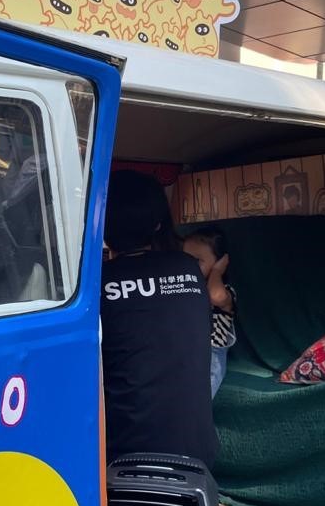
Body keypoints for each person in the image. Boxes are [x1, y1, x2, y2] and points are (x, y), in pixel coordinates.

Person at [100, 169, 218, 469]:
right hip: (199, 453)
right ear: (157, 223)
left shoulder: (97, 286)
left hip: (126, 458)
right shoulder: (189, 269)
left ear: (100, 225)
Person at [184, 227, 236, 398]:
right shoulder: (184, 288)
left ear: (220, 262)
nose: (189, 265)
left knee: (201, 392)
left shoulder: (225, 291)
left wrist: (216, 272)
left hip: (211, 352)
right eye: (185, 258)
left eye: (197, 260)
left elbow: (216, 297)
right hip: (186, 350)